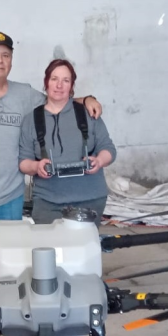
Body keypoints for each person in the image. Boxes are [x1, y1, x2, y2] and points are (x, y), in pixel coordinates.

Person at [0, 32, 102, 336]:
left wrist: (86, 99)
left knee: (9, 256)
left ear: (11, 60)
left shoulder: (24, 94)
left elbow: (57, 98)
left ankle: (6, 310)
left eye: (6, 55)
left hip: (11, 193)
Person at [19, 59, 116, 225]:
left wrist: (99, 161)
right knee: (49, 242)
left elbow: (108, 149)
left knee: (84, 242)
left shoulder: (88, 113)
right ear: (46, 82)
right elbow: (23, 162)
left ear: (71, 86)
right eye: (54, 79)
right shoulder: (31, 120)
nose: (59, 85)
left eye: (66, 80)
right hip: (48, 202)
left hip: (90, 200)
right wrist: (36, 167)